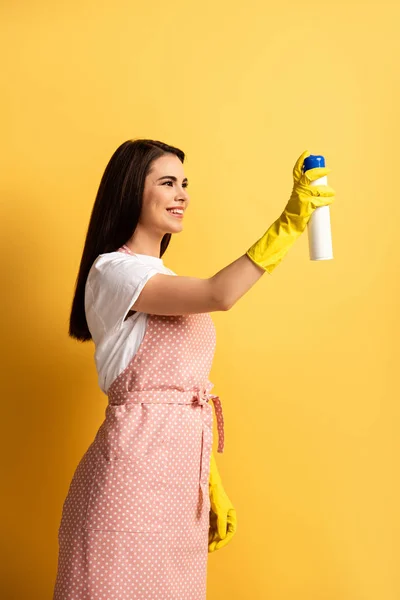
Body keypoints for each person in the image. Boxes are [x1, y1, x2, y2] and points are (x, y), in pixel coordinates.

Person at [52, 139, 335, 599]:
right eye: (167, 183)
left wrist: (210, 480)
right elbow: (218, 294)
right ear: (130, 192)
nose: (182, 194)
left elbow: (185, 394)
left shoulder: (161, 276)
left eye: (185, 183)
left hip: (182, 492)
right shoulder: (115, 272)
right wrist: (289, 223)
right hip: (129, 488)